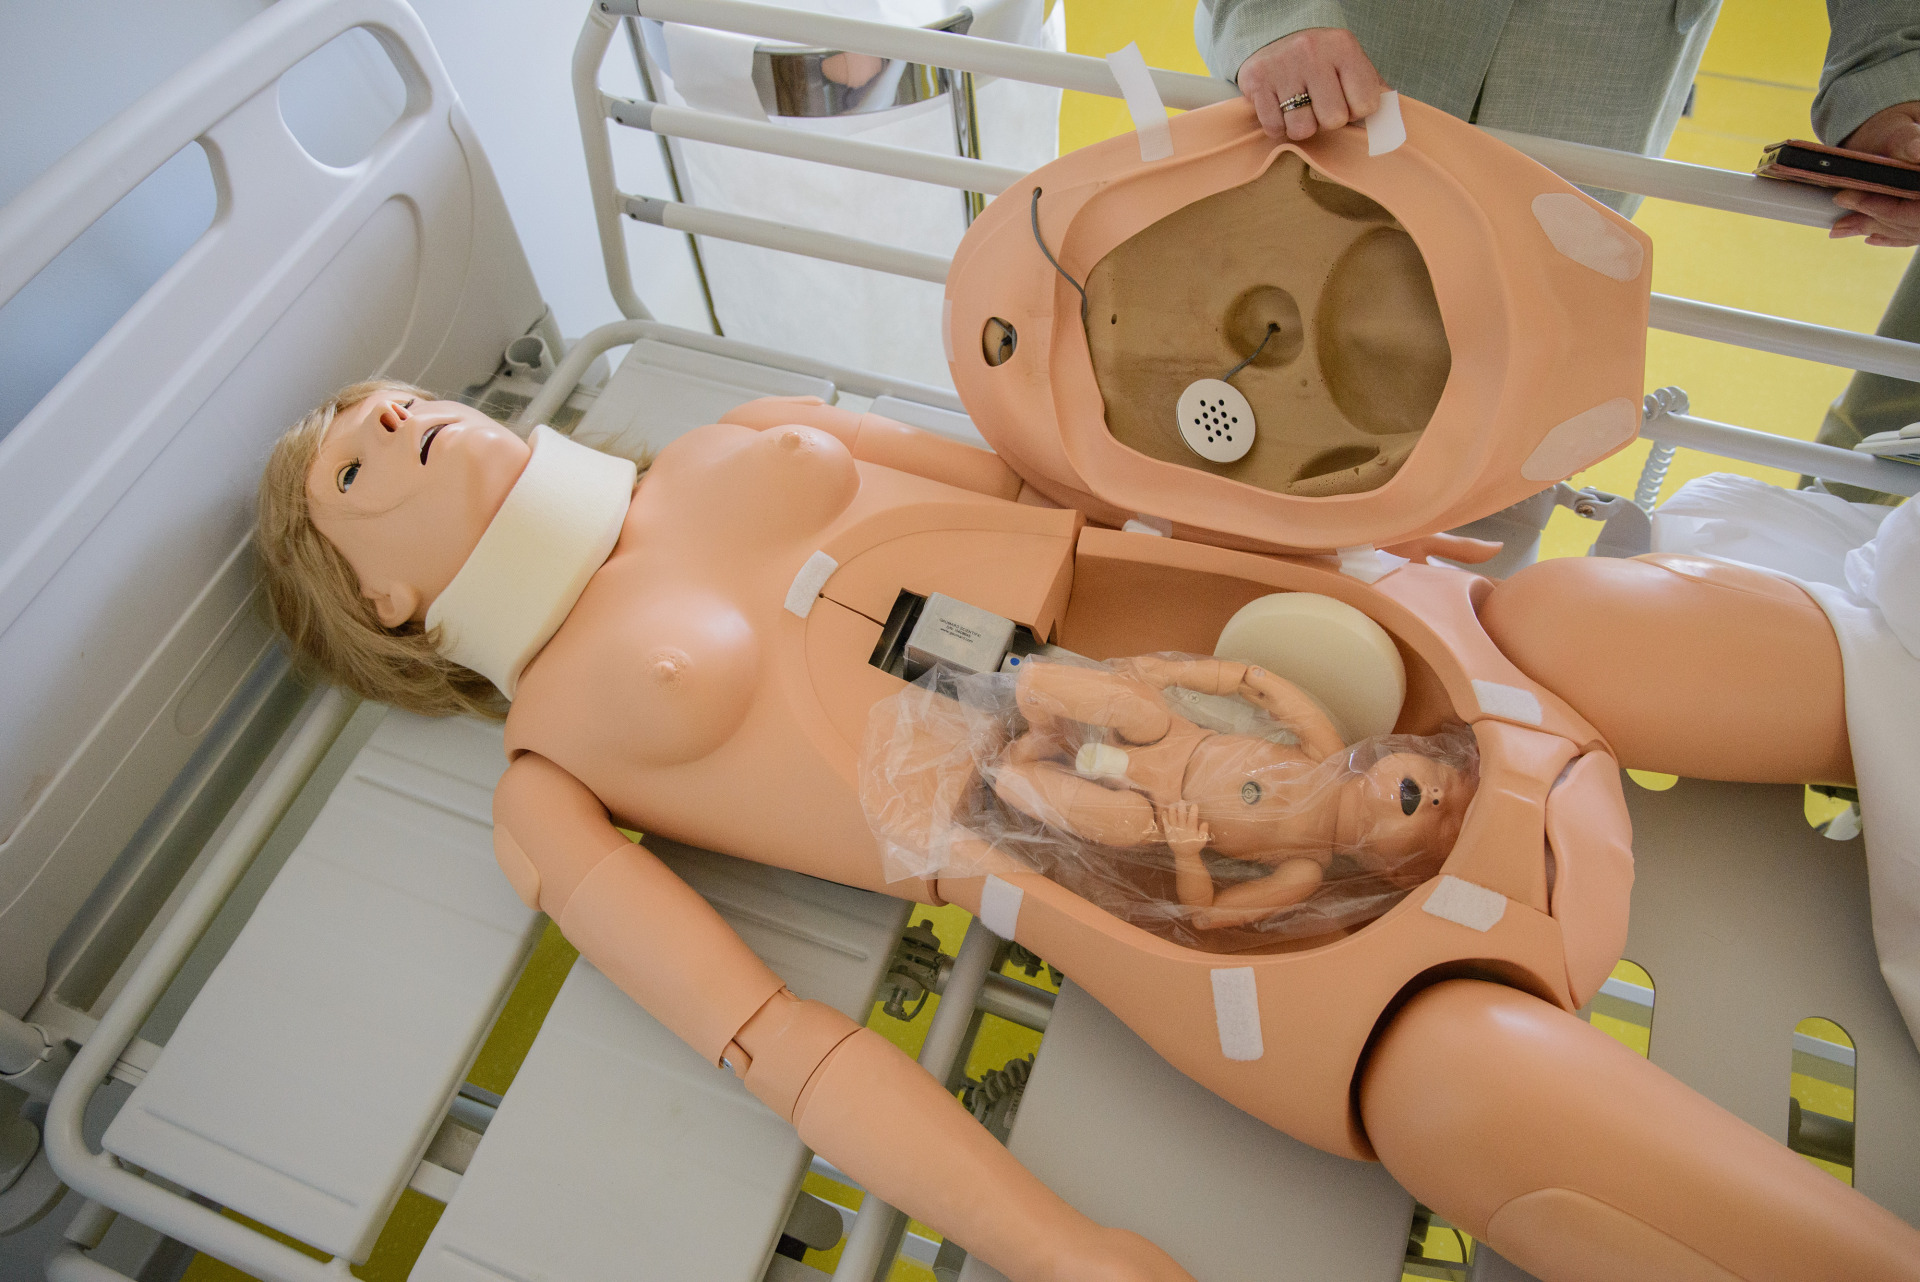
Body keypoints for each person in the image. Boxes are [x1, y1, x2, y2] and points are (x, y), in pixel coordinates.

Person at [254, 377, 1920, 1281]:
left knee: (1569, 618)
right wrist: (1054, 1249)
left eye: (389, 399)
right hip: (1233, 923)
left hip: (1365, 650)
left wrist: (1337, 496)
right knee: (1451, 1087)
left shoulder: (729, 435)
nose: (391, 416)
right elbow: (775, 1039)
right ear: (382, 603)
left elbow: (1055, 482)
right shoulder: (547, 775)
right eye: (352, 467)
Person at [1199, 1, 1920, 491]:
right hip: (1322, 62)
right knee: (1227, 405)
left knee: (1488, 494)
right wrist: (1268, 10)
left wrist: (1889, 86)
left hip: (1595, 90)